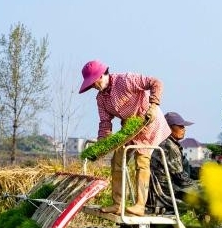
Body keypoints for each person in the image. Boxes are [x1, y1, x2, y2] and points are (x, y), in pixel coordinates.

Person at [78, 60, 169, 216]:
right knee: (117, 160)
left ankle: (140, 206)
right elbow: (105, 123)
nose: (94, 86)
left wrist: (153, 105)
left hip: (148, 121)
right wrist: (102, 145)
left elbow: (156, 82)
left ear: (102, 75)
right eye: (91, 85)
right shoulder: (101, 99)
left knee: (142, 160)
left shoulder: (125, 80)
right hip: (128, 127)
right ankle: (117, 203)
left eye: (95, 82)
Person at [148, 111, 198, 214]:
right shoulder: (169, 146)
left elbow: (186, 169)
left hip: (168, 188)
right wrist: (198, 186)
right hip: (168, 192)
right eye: (180, 126)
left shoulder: (167, 143)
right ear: (169, 128)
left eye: (183, 126)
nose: (184, 129)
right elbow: (180, 178)